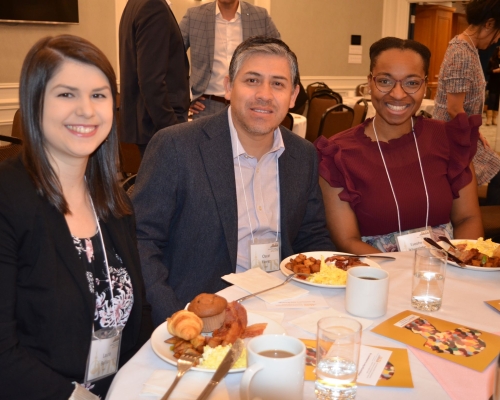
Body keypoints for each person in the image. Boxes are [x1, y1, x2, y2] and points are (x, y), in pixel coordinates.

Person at [133, 36, 335, 326]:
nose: (264, 94)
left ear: (293, 96)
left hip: (287, 303)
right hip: (204, 310)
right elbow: (142, 240)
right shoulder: (176, 146)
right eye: (252, 80)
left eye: (278, 84)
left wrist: (328, 295)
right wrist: (174, 317)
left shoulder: (302, 154)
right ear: (228, 87)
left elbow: (312, 236)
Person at [0, 35, 153, 399]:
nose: (86, 110)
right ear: (34, 102)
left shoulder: (115, 202)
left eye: (98, 95)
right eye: (66, 94)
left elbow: (139, 314)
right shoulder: (7, 199)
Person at [316, 37, 483, 254]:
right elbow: (347, 240)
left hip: (448, 270)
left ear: (425, 86)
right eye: (385, 81)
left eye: (412, 83)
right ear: (370, 82)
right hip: (379, 275)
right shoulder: (337, 153)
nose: (398, 93)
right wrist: (400, 279)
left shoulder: (448, 139)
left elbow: (467, 218)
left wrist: (459, 268)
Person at [434, 0, 500, 205]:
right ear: (489, 24)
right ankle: (483, 223)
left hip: (462, 132)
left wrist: (477, 134)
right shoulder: (462, 52)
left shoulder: (467, 49)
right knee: (496, 172)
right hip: (452, 138)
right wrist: (472, 139)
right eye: (499, 32)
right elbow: (454, 108)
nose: (498, 39)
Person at [179, 0, 280, 119]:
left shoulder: (260, 16)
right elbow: (171, 57)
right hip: (207, 106)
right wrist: (185, 97)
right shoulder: (194, 16)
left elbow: (279, 56)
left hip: (250, 104)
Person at [119, 0, 190, 156]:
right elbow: (151, 81)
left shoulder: (136, 3)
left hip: (148, 121)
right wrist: (172, 129)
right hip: (158, 123)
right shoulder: (153, 6)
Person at [486, 46, 500, 125]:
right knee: (492, 100)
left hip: (499, 84)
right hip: (493, 83)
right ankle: (489, 119)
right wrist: (494, 71)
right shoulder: (492, 60)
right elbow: (487, 71)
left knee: (497, 101)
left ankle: (494, 119)